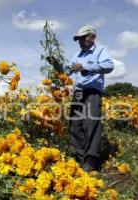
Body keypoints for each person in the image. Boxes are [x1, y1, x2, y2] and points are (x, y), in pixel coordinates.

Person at [47, 25, 114, 171]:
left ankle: (91, 161)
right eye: (79, 39)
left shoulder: (100, 50)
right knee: (75, 126)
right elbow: (66, 72)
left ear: (92, 37)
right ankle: (80, 157)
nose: (81, 41)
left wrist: (86, 67)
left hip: (92, 91)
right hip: (78, 93)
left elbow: (109, 66)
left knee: (91, 124)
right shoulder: (77, 55)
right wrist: (56, 64)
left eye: (83, 38)